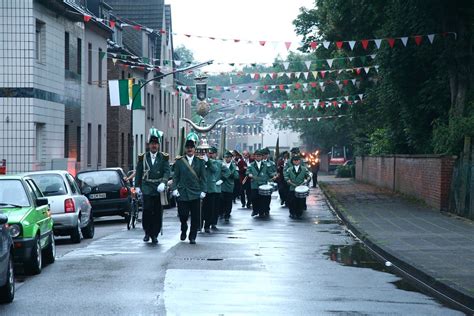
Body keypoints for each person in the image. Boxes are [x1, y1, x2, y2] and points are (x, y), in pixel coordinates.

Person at [135, 128, 170, 244]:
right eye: (152, 144)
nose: (154, 146)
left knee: (157, 212)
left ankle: (155, 234)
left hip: (158, 187)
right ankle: (147, 232)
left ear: (158, 145)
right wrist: (137, 186)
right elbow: (139, 172)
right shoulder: (143, 157)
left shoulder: (163, 157)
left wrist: (163, 182)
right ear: (149, 145)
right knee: (147, 210)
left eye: (155, 144)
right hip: (147, 187)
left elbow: (167, 172)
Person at [172, 139, 207, 244]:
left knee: (196, 216)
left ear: (194, 149)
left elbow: (203, 178)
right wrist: (174, 189)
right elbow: (175, 177)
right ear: (185, 149)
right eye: (188, 148)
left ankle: (192, 236)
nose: (189, 149)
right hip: (183, 192)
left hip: (195, 192)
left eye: (191, 148)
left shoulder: (200, 161)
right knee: (183, 215)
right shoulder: (179, 161)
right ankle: (183, 228)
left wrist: (203, 190)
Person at [246, 149, 276, 217]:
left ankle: (262, 211)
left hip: (263, 184)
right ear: (254, 157)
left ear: (261, 157)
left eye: (259, 156)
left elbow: (270, 173)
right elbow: (247, 172)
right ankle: (255, 210)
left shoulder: (266, 165)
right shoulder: (251, 165)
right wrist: (249, 174)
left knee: (263, 198)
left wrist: (274, 175)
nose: (258, 157)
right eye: (256, 156)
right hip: (255, 184)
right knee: (254, 198)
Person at [202, 146, 224, 233]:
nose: (210, 155)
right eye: (209, 153)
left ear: (215, 154)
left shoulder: (216, 162)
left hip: (212, 188)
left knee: (211, 208)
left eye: (211, 153)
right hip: (201, 187)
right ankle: (199, 225)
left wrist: (223, 179)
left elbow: (215, 169)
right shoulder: (201, 161)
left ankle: (209, 224)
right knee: (200, 209)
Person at [284, 155, 311, 219]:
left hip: (301, 188)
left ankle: (299, 213)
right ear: (292, 161)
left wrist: (308, 179)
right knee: (292, 201)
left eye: (297, 160)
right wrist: (288, 181)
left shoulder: (304, 169)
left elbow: (308, 175)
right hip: (292, 188)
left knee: (300, 201)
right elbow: (286, 176)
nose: (296, 161)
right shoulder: (289, 169)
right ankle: (292, 213)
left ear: (300, 161)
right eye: (294, 160)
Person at [220, 150, 239, 222]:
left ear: (231, 158)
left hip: (229, 186)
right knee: (221, 200)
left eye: (228, 157)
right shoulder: (221, 165)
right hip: (221, 185)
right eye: (226, 157)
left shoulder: (234, 166)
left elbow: (237, 176)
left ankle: (227, 214)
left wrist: (231, 174)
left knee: (228, 201)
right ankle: (221, 212)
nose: (227, 159)